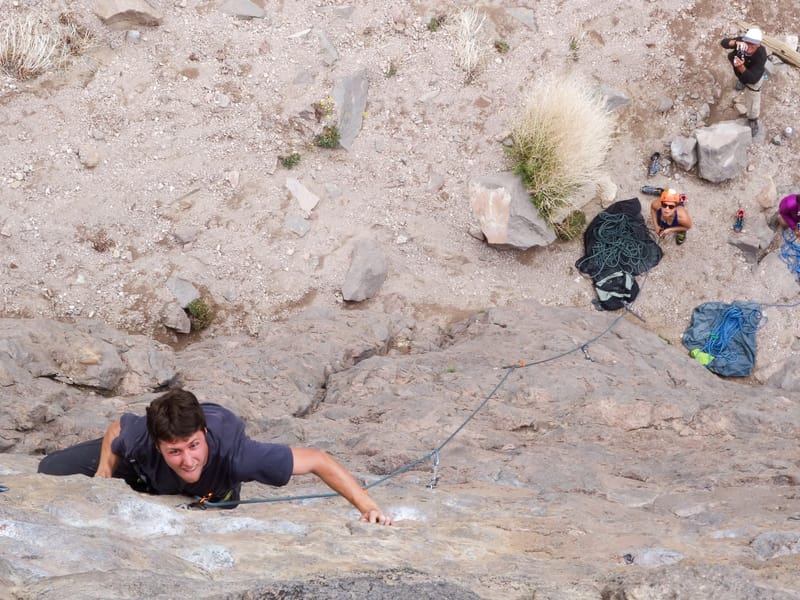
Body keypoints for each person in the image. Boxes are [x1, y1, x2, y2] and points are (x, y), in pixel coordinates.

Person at [38, 389, 393, 525]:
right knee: (50, 469)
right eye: (174, 451)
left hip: (215, 487)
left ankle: (213, 493)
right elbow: (116, 428)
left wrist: (368, 508)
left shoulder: (239, 457)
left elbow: (318, 459)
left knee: (214, 507)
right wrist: (103, 476)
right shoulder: (143, 438)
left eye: (193, 446)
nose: (188, 459)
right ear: (159, 444)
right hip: (143, 471)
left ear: (204, 434)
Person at [720, 27, 767, 137]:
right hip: (741, 71)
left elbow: (753, 79)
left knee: (753, 98)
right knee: (742, 78)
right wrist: (735, 43)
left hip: (753, 78)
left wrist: (740, 66)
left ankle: (753, 118)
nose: (749, 47)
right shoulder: (741, 41)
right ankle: (741, 81)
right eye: (747, 42)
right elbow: (723, 43)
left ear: (758, 44)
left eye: (753, 45)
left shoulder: (761, 55)